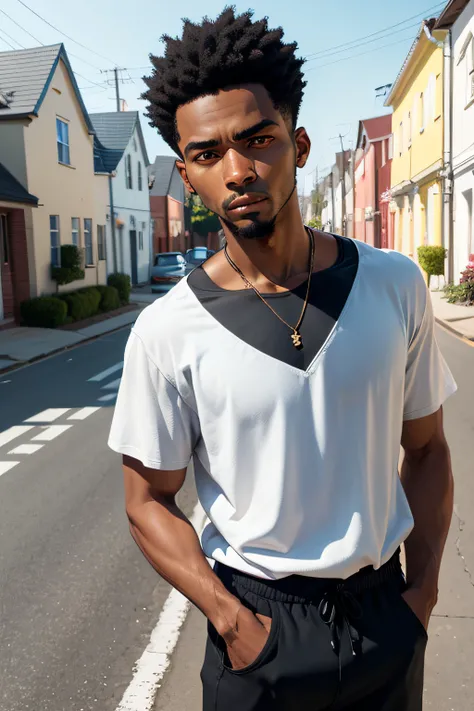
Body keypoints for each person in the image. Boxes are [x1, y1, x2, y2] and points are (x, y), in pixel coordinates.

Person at [108, 8, 457, 710]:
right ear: (186, 174)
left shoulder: (394, 284)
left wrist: (421, 594)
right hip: (257, 632)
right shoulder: (166, 330)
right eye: (208, 155)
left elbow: (427, 451)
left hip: (382, 614)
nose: (238, 171)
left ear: (296, 144)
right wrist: (233, 620)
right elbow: (146, 500)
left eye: (257, 140)